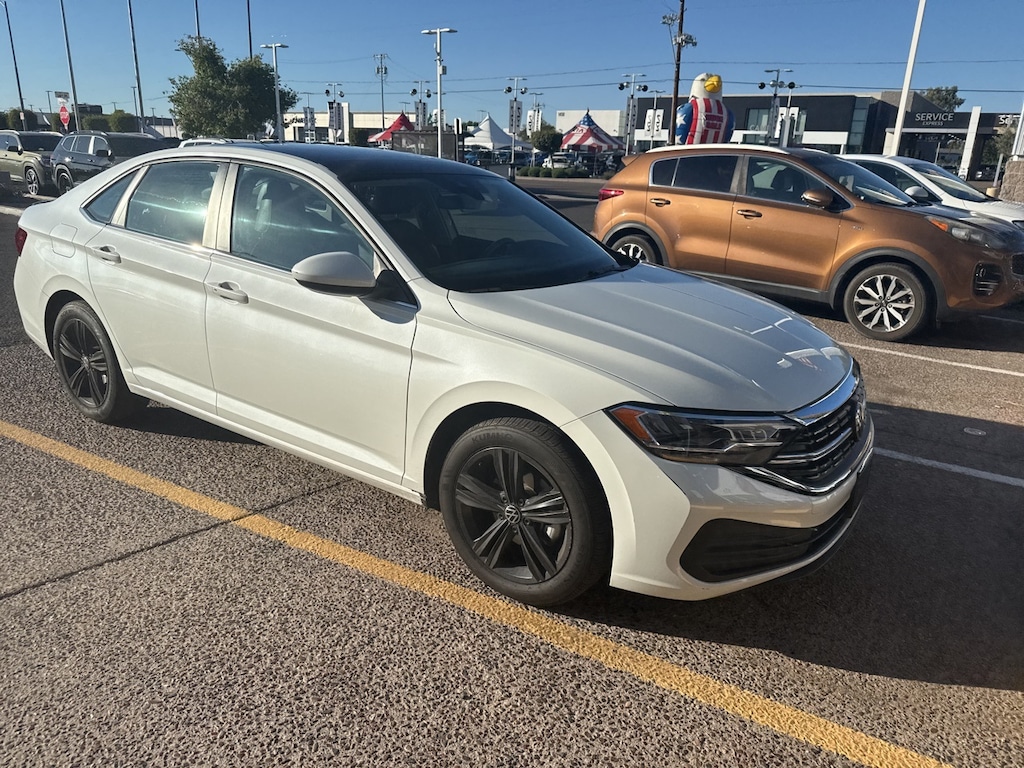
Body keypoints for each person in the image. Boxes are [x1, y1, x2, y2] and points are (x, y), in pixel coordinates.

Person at [676, 73, 735, 145]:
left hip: (714, 154)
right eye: (703, 80)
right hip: (688, 152)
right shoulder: (689, 108)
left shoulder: (726, 112)